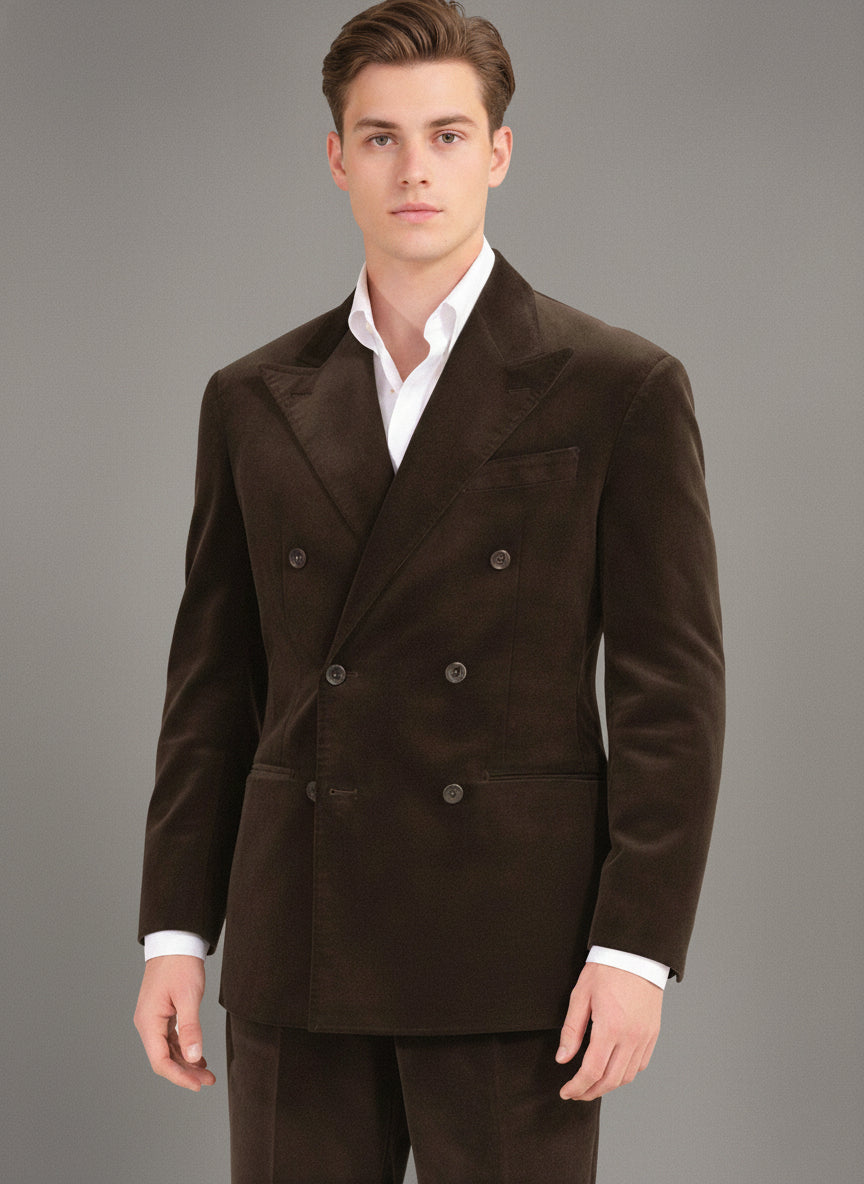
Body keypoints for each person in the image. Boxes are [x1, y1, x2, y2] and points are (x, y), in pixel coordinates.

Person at [134, 2, 725, 1180]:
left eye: (448, 135)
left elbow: (671, 697)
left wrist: (635, 948)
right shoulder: (251, 397)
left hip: (516, 949)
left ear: (497, 152)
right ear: (338, 157)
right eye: (383, 137)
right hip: (304, 937)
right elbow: (213, 688)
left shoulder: (617, 386)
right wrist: (175, 930)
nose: (415, 169)